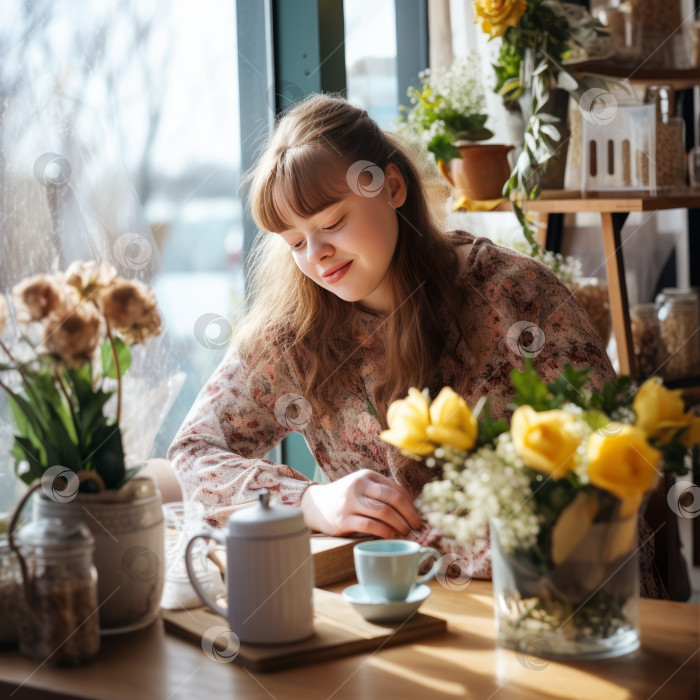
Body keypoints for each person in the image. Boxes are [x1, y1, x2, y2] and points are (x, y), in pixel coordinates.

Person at [167, 93, 616, 581]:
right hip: (389, 618)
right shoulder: (292, 333)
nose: (316, 254)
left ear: (393, 186)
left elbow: (615, 451)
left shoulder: (514, 294)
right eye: (295, 242)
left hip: (548, 599)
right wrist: (310, 501)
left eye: (332, 223)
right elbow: (192, 455)